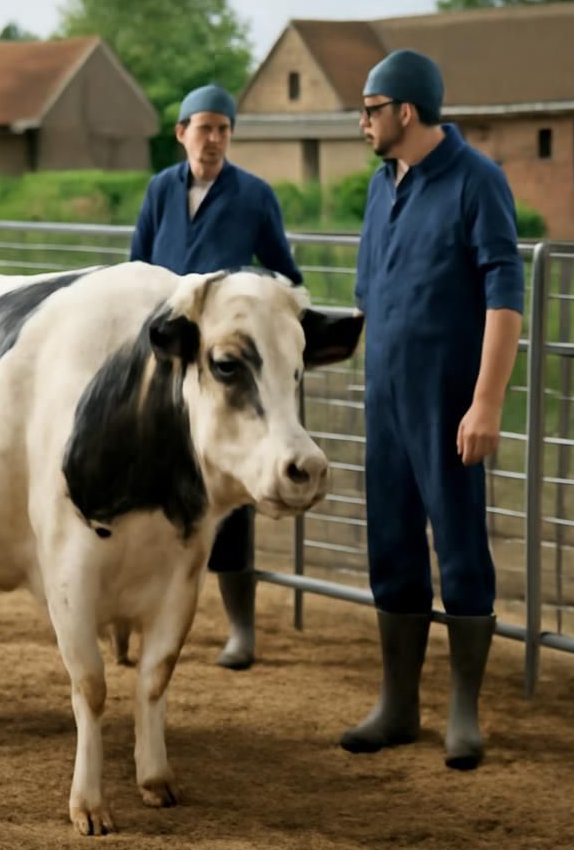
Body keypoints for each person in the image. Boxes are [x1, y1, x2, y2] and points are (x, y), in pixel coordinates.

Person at [340, 49, 523, 771]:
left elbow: (506, 298)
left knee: (460, 546)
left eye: (370, 108)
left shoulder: (478, 181)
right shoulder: (383, 185)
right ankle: (398, 707)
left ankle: (464, 713)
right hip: (384, 397)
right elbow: (368, 295)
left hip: (449, 402)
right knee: (390, 543)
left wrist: (485, 403)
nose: (363, 121)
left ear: (405, 111)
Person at [130, 83, 304, 671]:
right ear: (181, 133)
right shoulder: (160, 189)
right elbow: (137, 267)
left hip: (225, 367)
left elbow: (285, 273)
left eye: (223, 129)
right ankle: (132, 619)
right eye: (203, 128)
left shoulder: (254, 195)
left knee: (229, 495)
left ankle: (241, 631)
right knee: (149, 489)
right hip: (169, 361)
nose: (213, 139)